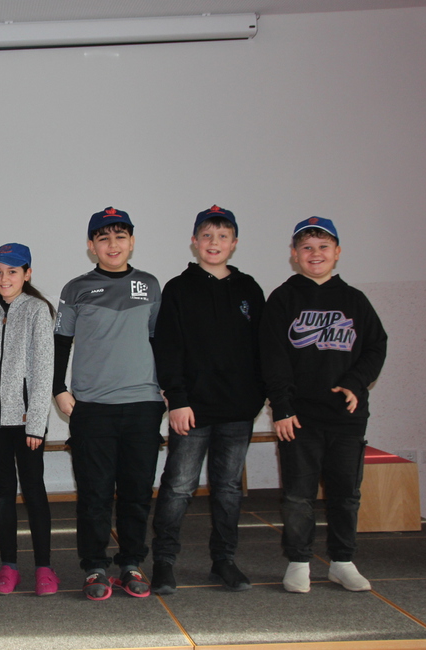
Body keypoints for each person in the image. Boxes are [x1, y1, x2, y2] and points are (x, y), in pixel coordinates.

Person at [260, 216, 387, 594]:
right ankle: (298, 561)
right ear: (294, 254)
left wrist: (354, 382)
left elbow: (376, 346)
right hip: (298, 417)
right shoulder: (283, 299)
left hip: (346, 417)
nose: (315, 254)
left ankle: (342, 561)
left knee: (346, 494)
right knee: (297, 495)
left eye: (323, 247)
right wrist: (282, 407)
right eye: (307, 247)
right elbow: (272, 357)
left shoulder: (355, 300)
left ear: (337, 252)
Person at [149, 206, 266, 595]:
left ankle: (224, 560)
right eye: (207, 236)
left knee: (228, 489)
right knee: (179, 487)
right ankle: (164, 562)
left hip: (238, 411)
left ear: (234, 243)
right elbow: (168, 348)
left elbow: (262, 348)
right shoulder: (178, 288)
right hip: (192, 410)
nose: (214, 243)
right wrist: (177, 399)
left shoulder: (249, 289)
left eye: (222, 236)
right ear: (194, 241)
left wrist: (257, 396)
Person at [53, 207, 165, 601]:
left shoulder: (150, 285)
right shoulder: (75, 288)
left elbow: (160, 341)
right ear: (91, 245)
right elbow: (60, 343)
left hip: (143, 405)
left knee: (137, 493)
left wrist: (168, 389)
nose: (112, 245)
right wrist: (58, 388)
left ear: (131, 242)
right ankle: (95, 567)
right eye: (103, 238)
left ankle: (132, 563)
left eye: (120, 237)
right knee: (94, 494)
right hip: (93, 408)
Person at [0, 243, 58, 596]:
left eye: (13, 272)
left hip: (26, 423)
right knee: (3, 493)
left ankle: (44, 567)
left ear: (27, 274)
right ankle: (9, 566)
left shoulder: (37, 311)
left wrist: (36, 422)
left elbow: (43, 370)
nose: (4, 278)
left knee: (34, 492)